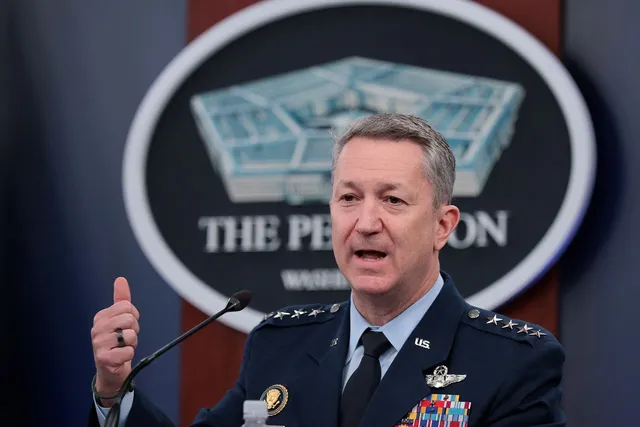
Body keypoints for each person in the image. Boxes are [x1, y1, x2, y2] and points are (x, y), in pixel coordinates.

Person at [88, 113, 566, 427]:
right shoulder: (281, 345)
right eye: (349, 198)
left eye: (393, 200)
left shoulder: (512, 361)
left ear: (442, 225)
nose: (366, 223)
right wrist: (114, 389)